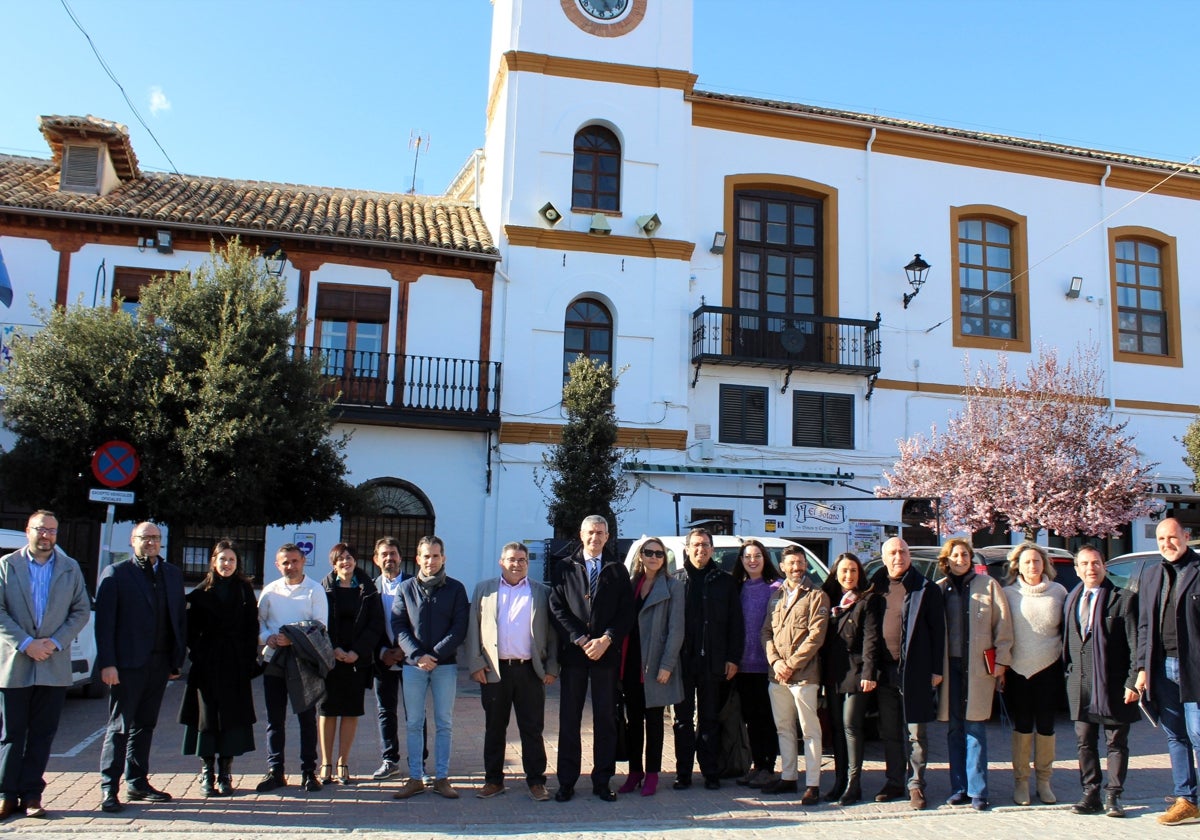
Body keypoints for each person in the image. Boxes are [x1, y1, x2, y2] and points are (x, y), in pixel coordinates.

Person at [0, 510, 90, 820]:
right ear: (28, 531)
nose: (46, 535)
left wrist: (53, 643)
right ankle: (5, 794)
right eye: (40, 529)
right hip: (16, 662)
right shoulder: (7, 566)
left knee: (42, 734)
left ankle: (32, 795)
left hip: (53, 663)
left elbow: (80, 611)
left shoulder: (69, 568)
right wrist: (27, 643)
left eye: (52, 530)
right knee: (12, 734)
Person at [94, 522, 187, 813]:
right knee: (119, 726)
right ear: (133, 540)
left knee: (145, 725)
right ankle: (109, 788)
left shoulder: (171, 574)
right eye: (145, 538)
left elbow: (177, 620)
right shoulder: (117, 574)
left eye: (156, 538)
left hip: (159, 663)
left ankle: (137, 782)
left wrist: (176, 660)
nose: (151, 543)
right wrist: (108, 663)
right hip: (126, 665)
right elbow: (105, 624)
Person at [548, 515, 634, 802]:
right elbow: (556, 607)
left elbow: (626, 612)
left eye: (600, 533)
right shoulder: (564, 567)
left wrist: (606, 639)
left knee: (605, 719)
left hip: (605, 655)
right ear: (581, 534)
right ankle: (567, 781)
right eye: (590, 532)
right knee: (570, 719)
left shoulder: (617, 570)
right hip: (575, 655)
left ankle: (602, 780)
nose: (595, 538)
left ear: (607, 537)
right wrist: (579, 638)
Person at [465, 542, 559, 801]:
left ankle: (536, 781)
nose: (516, 564)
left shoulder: (542, 592)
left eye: (521, 559)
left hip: (530, 670)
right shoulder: (484, 589)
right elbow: (473, 628)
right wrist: (475, 664)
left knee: (532, 728)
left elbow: (552, 635)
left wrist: (551, 667)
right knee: (494, 727)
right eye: (511, 559)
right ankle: (493, 780)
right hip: (495, 670)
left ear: (527, 563)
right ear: (501, 562)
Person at [934, 538, 1012, 811]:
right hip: (950, 668)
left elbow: (1003, 625)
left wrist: (1002, 660)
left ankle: (979, 790)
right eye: (955, 555)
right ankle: (959, 788)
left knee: (975, 727)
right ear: (947, 559)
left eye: (965, 554)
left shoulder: (988, 586)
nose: (960, 559)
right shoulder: (940, 590)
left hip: (978, 668)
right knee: (954, 729)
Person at [178, 540, 259, 797]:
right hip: (207, 666)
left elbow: (251, 628)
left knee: (231, 718)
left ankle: (225, 773)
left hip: (235, 665)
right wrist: (200, 652)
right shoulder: (200, 592)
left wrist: (248, 660)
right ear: (213, 561)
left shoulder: (245, 591)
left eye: (232, 560)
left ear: (238, 563)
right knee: (207, 719)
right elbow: (189, 630)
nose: (227, 564)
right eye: (223, 559)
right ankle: (207, 773)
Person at [391, 535, 469, 800]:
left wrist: (434, 655)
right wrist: (417, 655)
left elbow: (459, 628)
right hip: (413, 667)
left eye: (436, 556)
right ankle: (415, 777)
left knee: (444, 723)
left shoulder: (456, 589)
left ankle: (442, 778)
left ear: (443, 558)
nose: (431, 561)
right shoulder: (405, 588)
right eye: (426, 556)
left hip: (444, 666)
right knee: (414, 723)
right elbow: (399, 625)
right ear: (418, 559)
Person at [869, 536, 944, 810]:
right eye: (892, 552)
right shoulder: (875, 587)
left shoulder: (926, 588)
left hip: (916, 670)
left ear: (909, 555)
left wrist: (936, 669)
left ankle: (916, 785)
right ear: (884, 557)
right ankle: (894, 781)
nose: (898, 556)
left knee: (916, 732)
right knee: (889, 731)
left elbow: (939, 632)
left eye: (902, 551)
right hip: (885, 671)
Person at [1064, 544, 1139, 818]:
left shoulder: (1124, 599)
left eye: (1095, 563)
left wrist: (1134, 681)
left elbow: (1135, 645)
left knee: (1115, 741)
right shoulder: (1072, 598)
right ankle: (1090, 793)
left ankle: (1113, 795)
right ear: (1077, 569)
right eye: (1084, 564)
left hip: (1113, 683)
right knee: (1084, 741)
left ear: (1104, 565)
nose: (1090, 568)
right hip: (1081, 684)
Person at [1136, 517, 1200, 825]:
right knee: (1176, 735)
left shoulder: (1198, 571)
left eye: (1172, 538)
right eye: (1161, 539)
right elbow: (1144, 626)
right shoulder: (1151, 575)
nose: (1167, 544)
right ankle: (1186, 799)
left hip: (1194, 668)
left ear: (1186, 536)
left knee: (1198, 733)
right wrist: (1141, 669)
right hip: (1161, 668)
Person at [672, 527, 743, 791]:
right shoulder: (675, 580)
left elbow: (736, 624)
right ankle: (683, 773)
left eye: (705, 545)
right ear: (687, 549)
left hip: (714, 662)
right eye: (695, 545)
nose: (700, 549)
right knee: (682, 721)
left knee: (710, 719)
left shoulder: (724, 581)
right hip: (682, 663)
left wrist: (733, 657)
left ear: (712, 549)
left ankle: (710, 772)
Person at [256, 543, 329, 794]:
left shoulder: (315, 590)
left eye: (294, 561)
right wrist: (269, 638)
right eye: (285, 562)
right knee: (274, 720)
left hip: (303, 662)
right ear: (278, 565)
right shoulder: (270, 591)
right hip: (274, 660)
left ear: (303, 561)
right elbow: (260, 623)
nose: (290, 566)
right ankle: (275, 770)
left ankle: (309, 771)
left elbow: (319, 627)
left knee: (307, 718)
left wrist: (293, 638)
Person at [616, 537, 684, 797]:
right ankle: (635, 773)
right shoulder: (632, 584)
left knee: (654, 721)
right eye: (649, 552)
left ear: (664, 559)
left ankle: (653, 774)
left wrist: (667, 664)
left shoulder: (673, 587)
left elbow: (677, 629)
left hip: (655, 662)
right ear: (641, 556)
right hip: (631, 662)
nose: (654, 557)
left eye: (659, 553)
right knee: (633, 721)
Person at [762, 544, 829, 805]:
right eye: (791, 563)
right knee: (783, 728)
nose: (796, 567)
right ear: (783, 567)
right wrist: (776, 662)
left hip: (804, 676)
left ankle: (812, 783)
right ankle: (788, 777)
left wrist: (791, 663)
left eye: (800, 562)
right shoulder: (776, 596)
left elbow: (816, 637)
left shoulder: (817, 596)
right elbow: (765, 632)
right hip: (777, 675)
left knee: (810, 731)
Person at [1003, 541, 1067, 806]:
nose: (1032, 566)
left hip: (1048, 667)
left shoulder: (1059, 592)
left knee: (1046, 725)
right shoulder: (1008, 593)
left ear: (1045, 564)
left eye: (1037, 561)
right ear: (1017, 565)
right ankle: (1021, 781)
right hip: (1017, 670)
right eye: (1027, 561)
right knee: (1022, 725)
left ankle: (1044, 780)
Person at [318, 543, 384, 785]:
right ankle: (325, 762)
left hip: (357, 661)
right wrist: (332, 648)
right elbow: (318, 622)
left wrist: (358, 651)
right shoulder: (323, 589)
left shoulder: (368, 589)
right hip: (330, 659)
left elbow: (376, 624)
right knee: (327, 710)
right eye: (341, 558)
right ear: (334, 563)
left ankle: (342, 762)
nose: (346, 562)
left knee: (350, 710)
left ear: (356, 561)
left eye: (350, 558)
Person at [819, 551, 881, 805]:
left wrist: (869, 672)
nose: (848, 575)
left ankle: (854, 784)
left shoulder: (867, 600)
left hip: (857, 673)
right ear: (836, 574)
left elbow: (871, 639)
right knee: (836, 728)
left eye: (853, 571)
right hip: (833, 673)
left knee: (850, 726)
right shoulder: (829, 600)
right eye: (844, 571)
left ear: (859, 574)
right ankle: (839, 781)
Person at [731, 539, 782, 789]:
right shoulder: (738, 588)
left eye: (757, 556)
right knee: (750, 718)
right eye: (747, 557)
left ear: (765, 558)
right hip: (743, 665)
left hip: (767, 665)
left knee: (766, 718)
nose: (752, 560)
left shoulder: (776, 588)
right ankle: (757, 764)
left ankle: (769, 766)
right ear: (741, 561)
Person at [369, 537, 410, 781]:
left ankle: (419, 761)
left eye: (393, 554)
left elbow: (420, 622)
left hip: (410, 657)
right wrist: (383, 652)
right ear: (376, 559)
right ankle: (389, 759)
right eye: (384, 554)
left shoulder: (413, 584)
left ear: (400, 557)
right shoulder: (370, 588)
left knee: (414, 713)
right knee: (385, 711)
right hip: (382, 658)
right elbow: (366, 625)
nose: (389, 559)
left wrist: (405, 650)